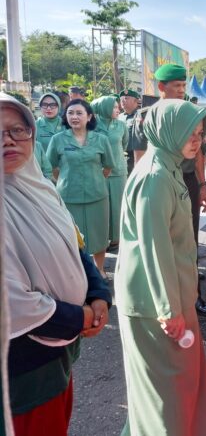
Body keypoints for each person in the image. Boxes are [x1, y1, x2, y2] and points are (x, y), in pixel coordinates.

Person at [2, 92, 111, 436]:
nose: (8, 140)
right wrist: (81, 317)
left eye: (17, 129)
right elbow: (12, 302)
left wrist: (98, 294)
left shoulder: (41, 188)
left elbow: (74, 244)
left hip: (59, 354)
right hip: (22, 369)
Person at [115, 99, 206, 436]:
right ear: (167, 131)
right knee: (166, 398)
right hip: (155, 303)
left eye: (200, 133)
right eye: (189, 132)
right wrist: (169, 310)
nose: (196, 140)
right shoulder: (155, 177)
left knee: (174, 392)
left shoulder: (169, 165)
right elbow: (153, 248)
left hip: (172, 295)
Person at [132, 63, 206, 316]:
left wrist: (202, 186)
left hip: (187, 180)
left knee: (189, 237)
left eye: (183, 86)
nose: (181, 90)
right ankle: (165, 301)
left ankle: (193, 296)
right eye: (176, 86)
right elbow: (140, 156)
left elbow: (199, 153)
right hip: (162, 179)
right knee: (161, 241)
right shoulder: (147, 116)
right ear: (161, 87)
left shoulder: (189, 111)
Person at [46, 99, 115, 277]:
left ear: (89, 116)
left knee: (99, 234)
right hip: (69, 196)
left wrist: (96, 180)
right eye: (70, 113)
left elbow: (108, 166)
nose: (74, 117)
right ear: (65, 116)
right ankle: (77, 273)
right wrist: (63, 181)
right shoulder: (58, 139)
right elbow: (51, 166)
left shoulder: (101, 139)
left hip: (98, 195)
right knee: (71, 236)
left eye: (79, 113)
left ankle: (99, 269)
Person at [91, 96, 128, 251]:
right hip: (98, 171)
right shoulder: (92, 126)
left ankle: (116, 238)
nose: (117, 109)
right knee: (101, 207)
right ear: (104, 108)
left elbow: (124, 144)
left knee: (118, 206)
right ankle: (101, 237)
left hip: (118, 170)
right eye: (113, 107)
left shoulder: (121, 125)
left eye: (117, 107)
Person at [118, 88, 141, 174]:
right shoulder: (119, 117)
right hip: (121, 156)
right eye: (121, 99)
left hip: (135, 156)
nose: (123, 101)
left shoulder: (141, 115)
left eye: (126, 98)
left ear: (135, 101)